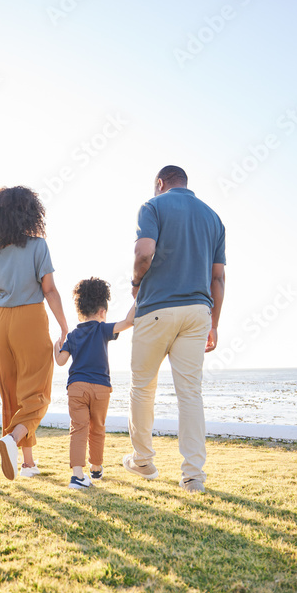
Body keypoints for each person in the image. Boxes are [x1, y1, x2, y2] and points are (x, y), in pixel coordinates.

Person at [125, 165, 226, 493]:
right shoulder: (213, 218)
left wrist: (136, 282)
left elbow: (144, 252)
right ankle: (193, 476)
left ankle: (143, 460)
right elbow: (219, 278)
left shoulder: (153, 206)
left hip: (156, 309)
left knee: (142, 387)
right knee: (190, 394)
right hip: (198, 313)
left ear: (160, 183)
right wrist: (215, 323)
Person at [0, 186, 69, 481]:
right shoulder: (37, 246)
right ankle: (12, 440)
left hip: (1, 322)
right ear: (29, 213)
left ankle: (27, 464)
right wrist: (65, 327)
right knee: (38, 393)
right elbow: (50, 290)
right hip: (30, 316)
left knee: (12, 394)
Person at [55, 278, 135, 490]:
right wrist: (139, 295)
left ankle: (77, 476)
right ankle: (96, 468)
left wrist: (57, 348)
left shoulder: (73, 335)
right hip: (100, 388)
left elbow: (61, 361)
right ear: (102, 311)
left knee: (78, 429)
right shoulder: (103, 329)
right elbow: (129, 321)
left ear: (80, 311)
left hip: (77, 387)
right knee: (97, 428)